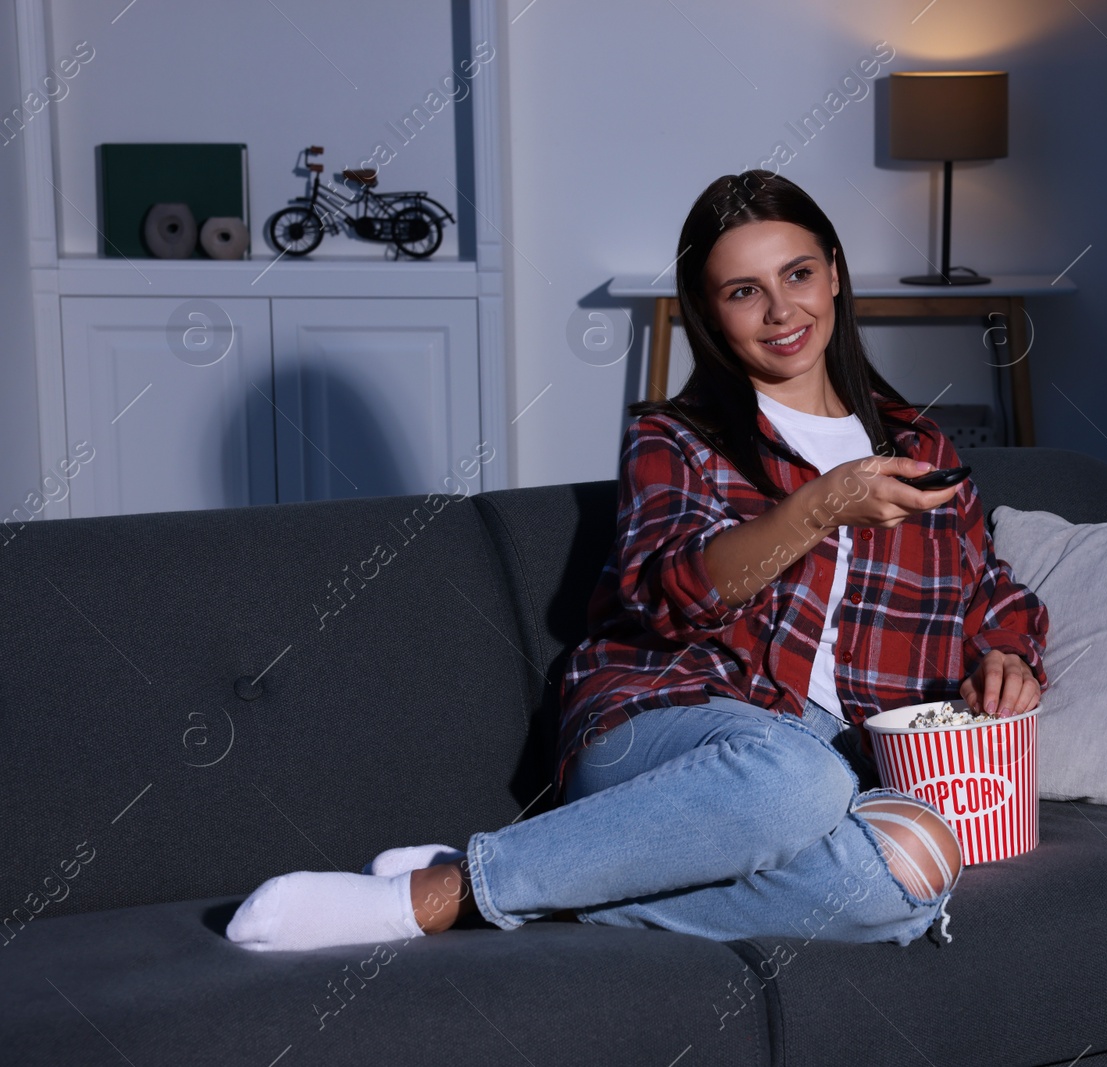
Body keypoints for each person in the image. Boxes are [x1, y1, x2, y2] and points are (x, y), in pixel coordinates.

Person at [225, 170, 1049, 954]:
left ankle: (560, 875)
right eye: (742, 291)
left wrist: (1008, 652)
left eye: (798, 273)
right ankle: (431, 897)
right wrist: (821, 505)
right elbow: (672, 597)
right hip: (668, 735)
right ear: (709, 311)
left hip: (843, 756)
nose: (780, 309)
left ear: (834, 273)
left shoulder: (919, 445)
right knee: (794, 778)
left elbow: (986, 588)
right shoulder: (675, 438)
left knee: (912, 867)